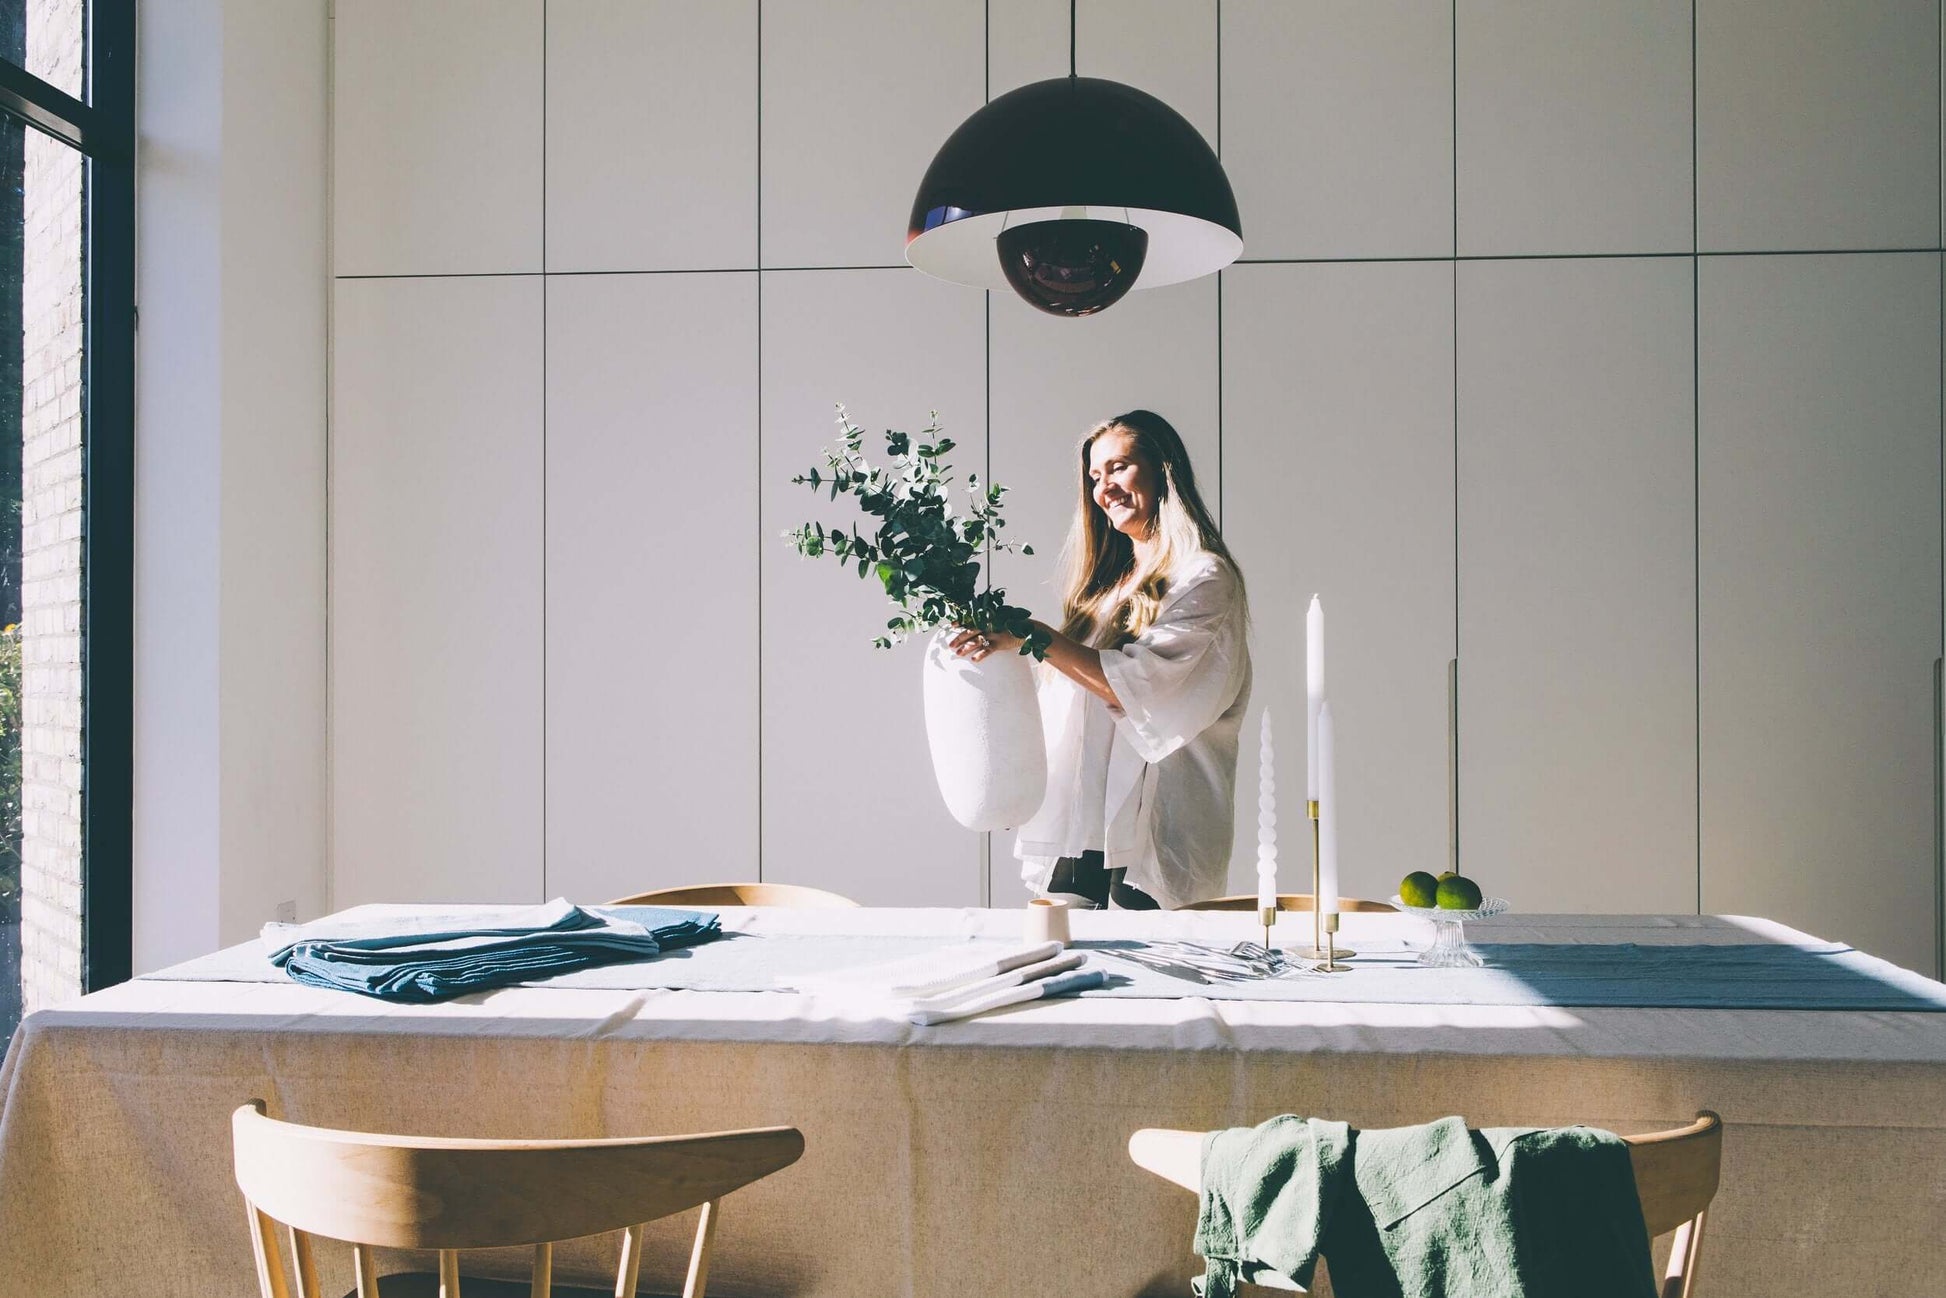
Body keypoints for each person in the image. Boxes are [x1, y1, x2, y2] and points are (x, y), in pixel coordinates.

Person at [949, 410, 1251, 910]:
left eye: (1118, 467)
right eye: (1094, 476)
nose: (1104, 487)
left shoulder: (1203, 577)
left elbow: (1139, 689)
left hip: (1154, 827)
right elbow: (1067, 704)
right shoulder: (1103, 595)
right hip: (1081, 824)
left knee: (1151, 981)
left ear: (1164, 469)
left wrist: (1031, 634)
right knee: (1059, 967)